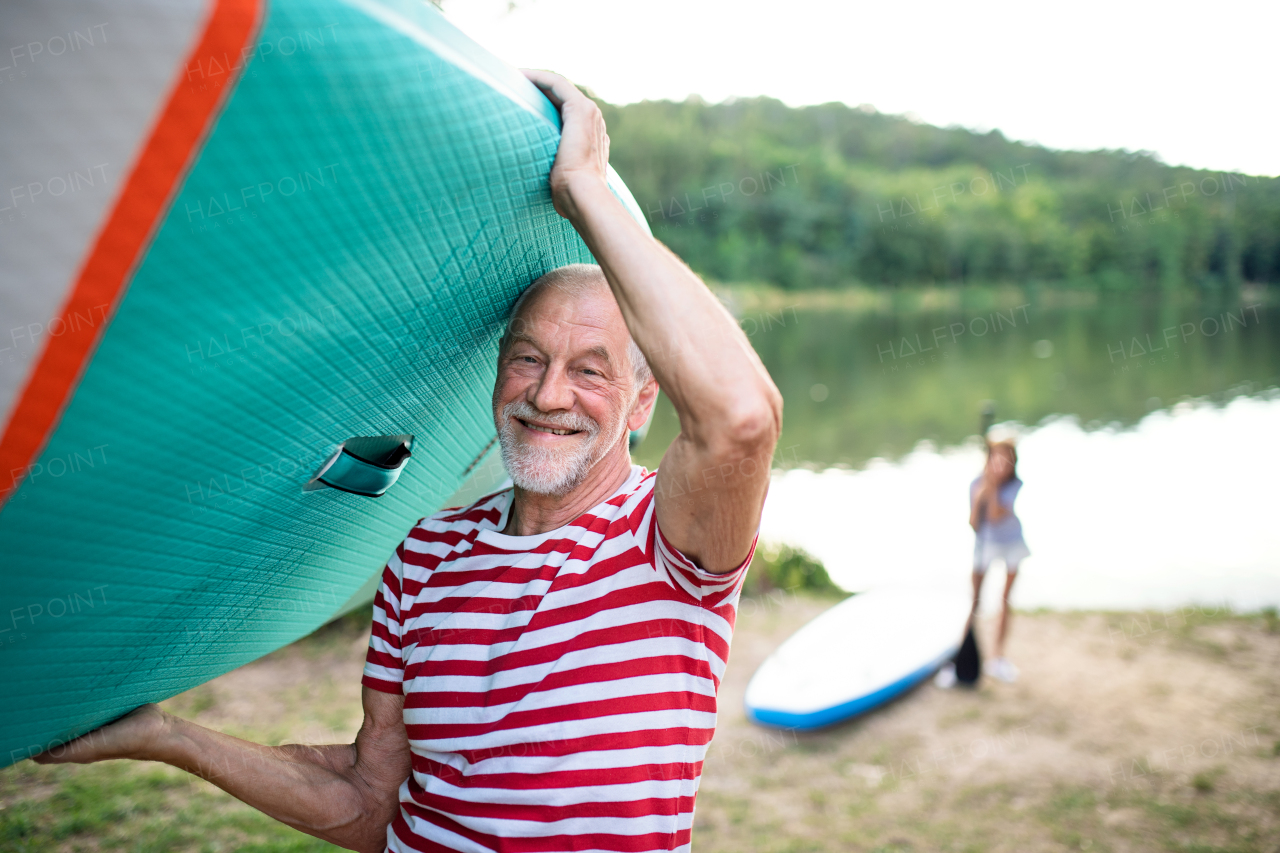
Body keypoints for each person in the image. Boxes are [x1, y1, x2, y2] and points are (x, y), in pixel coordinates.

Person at [32, 70, 783, 853]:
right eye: (526, 358)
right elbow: (366, 799)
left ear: (641, 402)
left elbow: (741, 418)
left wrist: (585, 189)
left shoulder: (668, 543)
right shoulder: (426, 553)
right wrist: (169, 736)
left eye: (591, 369)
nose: (547, 393)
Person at [967, 438, 1028, 682]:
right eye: (996, 458)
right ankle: (963, 654)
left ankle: (997, 658)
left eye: (1006, 459)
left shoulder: (1014, 486)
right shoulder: (975, 484)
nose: (1000, 464)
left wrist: (990, 490)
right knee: (974, 600)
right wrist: (980, 493)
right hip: (985, 545)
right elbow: (974, 523)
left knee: (1005, 599)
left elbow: (995, 516)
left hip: (1012, 543)